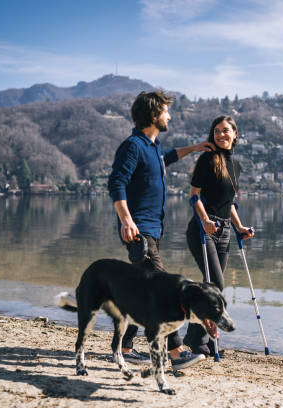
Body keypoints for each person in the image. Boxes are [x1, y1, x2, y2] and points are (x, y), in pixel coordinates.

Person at [107, 90, 215, 370]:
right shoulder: (133, 146)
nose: (170, 115)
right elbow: (116, 183)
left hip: (152, 230)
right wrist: (126, 220)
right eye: (166, 111)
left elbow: (164, 159)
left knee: (143, 291)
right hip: (139, 230)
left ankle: (126, 347)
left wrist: (193, 148)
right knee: (165, 288)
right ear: (154, 115)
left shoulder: (152, 147)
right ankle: (177, 353)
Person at [183, 115, 254, 356]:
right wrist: (204, 220)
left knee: (211, 286)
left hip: (223, 232)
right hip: (203, 231)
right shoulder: (207, 159)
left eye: (225, 131)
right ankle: (197, 339)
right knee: (217, 285)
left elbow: (229, 203)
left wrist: (240, 228)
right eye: (216, 131)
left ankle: (195, 337)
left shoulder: (236, 166)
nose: (220, 135)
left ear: (235, 134)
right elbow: (194, 194)